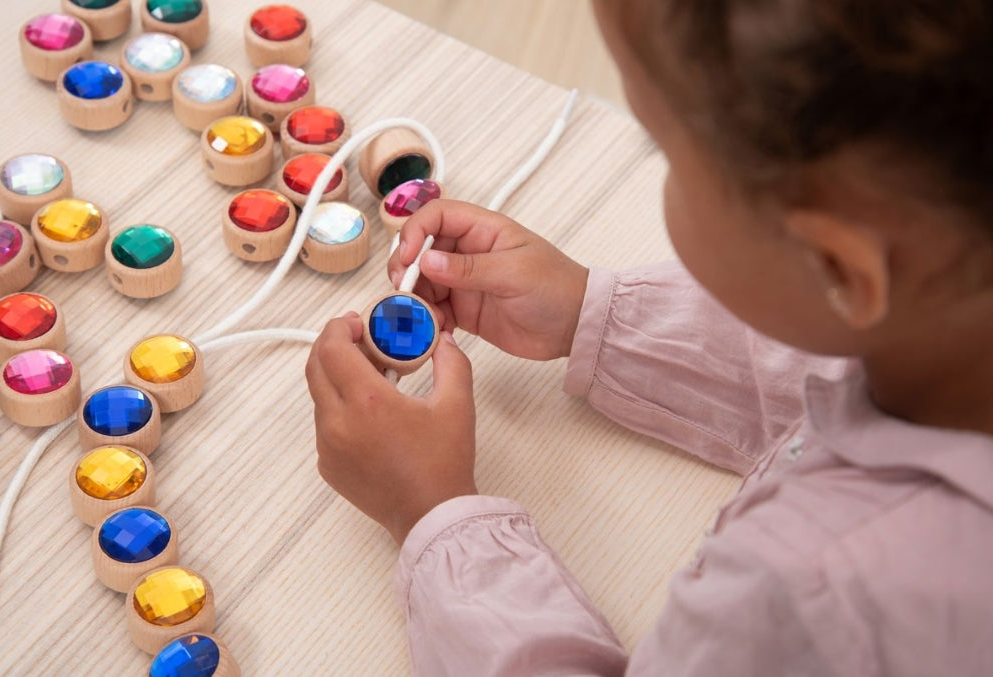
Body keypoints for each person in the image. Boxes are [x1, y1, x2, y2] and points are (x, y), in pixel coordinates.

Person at [305, 0, 993, 673]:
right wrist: (593, 315)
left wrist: (430, 508)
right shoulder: (951, 326)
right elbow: (825, 363)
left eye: (664, 149)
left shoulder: (805, 597)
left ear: (837, 263)